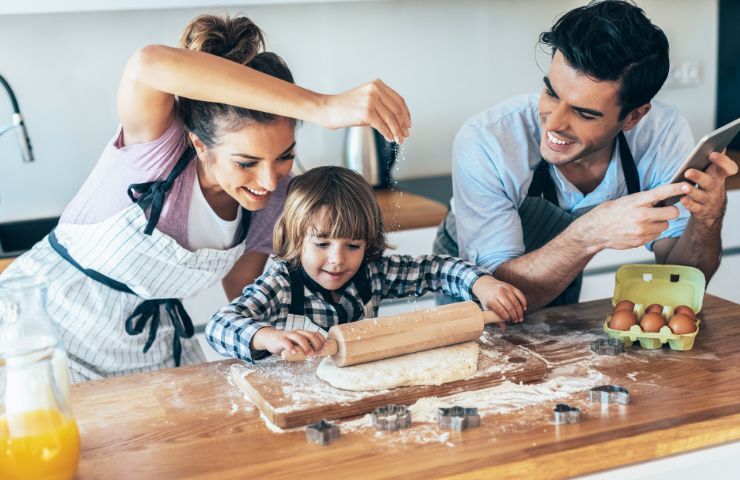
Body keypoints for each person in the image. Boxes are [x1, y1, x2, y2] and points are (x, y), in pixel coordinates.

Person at [0, 14, 411, 382]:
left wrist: (280, 339)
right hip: (38, 334)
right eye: (246, 162)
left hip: (150, 349)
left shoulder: (274, 200)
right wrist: (322, 106)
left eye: (284, 156)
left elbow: (247, 293)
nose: (268, 180)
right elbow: (149, 63)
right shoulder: (157, 150)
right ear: (198, 144)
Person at [434, 0, 737, 310]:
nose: (553, 123)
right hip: (472, 300)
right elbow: (498, 296)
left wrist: (708, 220)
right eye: (551, 92)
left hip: (560, 276)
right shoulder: (488, 141)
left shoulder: (662, 134)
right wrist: (591, 232)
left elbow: (681, 277)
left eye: (584, 113)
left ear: (632, 118)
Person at [206, 166, 526, 361]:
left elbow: (436, 269)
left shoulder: (372, 273)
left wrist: (481, 283)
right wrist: (267, 337)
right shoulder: (282, 283)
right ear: (295, 236)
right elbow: (220, 325)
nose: (337, 259)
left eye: (353, 245)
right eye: (321, 243)